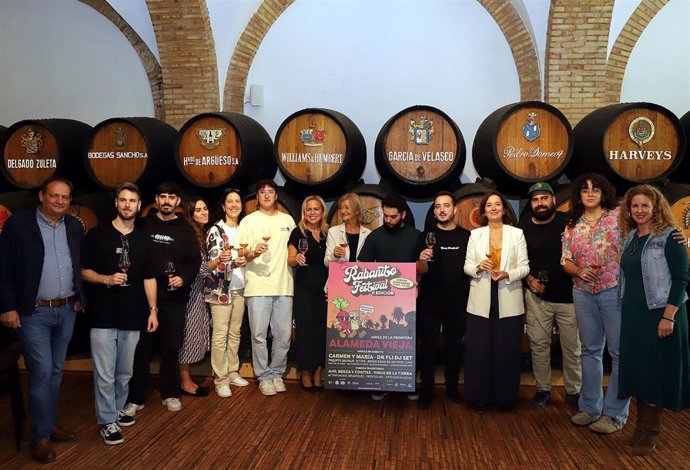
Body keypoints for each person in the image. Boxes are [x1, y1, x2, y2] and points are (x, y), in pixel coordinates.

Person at [0, 176, 84, 463]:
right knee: (41, 373)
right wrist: (8, 306)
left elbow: (79, 263)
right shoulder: (18, 225)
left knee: (56, 371)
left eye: (65, 197)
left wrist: (80, 297)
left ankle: (47, 424)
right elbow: (4, 268)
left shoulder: (73, 226)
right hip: (33, 312)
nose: (60, 201)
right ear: (41, 195)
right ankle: (40, 437)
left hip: (66, 310)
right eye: (54, 196)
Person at [80, 182, 158, 445]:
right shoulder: (96, 235)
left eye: (132, 201)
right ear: (116, 203)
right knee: (104, 372)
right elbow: (84, 272)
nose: (127, 205)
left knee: (124, 371)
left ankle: (116, 409)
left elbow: (149, 278)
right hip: (102, 314)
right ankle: (107, 421)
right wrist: (106, 279)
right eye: (123, 200)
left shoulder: (144, 240)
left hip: (132, 315)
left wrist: (153, 311)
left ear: (139, 205)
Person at [617, 184, 690, 456]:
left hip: (659, 313)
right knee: (638, 371)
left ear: (656, 207)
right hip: (634, 314)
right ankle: (639, 428)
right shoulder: (631, 238)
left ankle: (652, 433)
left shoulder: (671, 237)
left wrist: (668, 316)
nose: (639, 210)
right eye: (635, 205)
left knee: (654, 373)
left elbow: (682, 277)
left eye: (645, 205)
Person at [561, 173, 629, 434]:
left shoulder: (618, 217)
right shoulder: (572, 224)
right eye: (585, 189)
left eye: (595, 189)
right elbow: (565, 260)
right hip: (583, 292)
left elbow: (647, 228)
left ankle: (615, 414)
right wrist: (577, 270)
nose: (590, 194)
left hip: (614, 290)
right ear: (578, 194)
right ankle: (589, 407)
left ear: (604, 193)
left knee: (619, 353)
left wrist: (672, 235)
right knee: (589, 350)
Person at [124, 182, 201, 414]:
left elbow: (194, 261)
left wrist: (183, 278)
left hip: (173, 298)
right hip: (144, 297)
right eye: (162, 196)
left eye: (171, 197)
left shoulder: (185, 229)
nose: (167, 201)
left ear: (178, 202)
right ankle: (136, 398)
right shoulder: (143, 224)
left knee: (171, 348)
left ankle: (170, 392)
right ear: (156, 200)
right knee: (142, 350)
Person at [463, 191, 529, 412]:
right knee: (479, 351)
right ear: (483, 211)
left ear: (504, 208)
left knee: (507, 351)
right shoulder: (476, 235)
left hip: (508, 296)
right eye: (489, 205)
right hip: (480, 299)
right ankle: (479, 397)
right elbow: (467, 266)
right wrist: (479, 267)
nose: (493, 208)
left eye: (497, 204)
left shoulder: (517, 234)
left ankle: (505, 398)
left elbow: (525, 266)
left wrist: (507, 273)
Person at [519, 182, 581, 410]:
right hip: (538, 298)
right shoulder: (523, 227)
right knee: (539, 346)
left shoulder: (570, 222)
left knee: (572, 348)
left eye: (544, 198)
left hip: (570, 297)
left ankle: (574, 391)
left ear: (554, 200)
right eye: (535, 200)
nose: (540, 203)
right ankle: (543, 389)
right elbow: (519, 260)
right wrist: (529, 280)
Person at [358, 193, 421, 400]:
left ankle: (409, 383)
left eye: (393, 217)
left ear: (402, 215)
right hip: (382, 299)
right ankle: (381, 383)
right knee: (382, 342)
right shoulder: (375, 236)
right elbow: (362, 268)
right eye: (385, 216)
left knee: (409, 342)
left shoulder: (415, 235)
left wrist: (418, 282)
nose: (388, 220)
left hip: (409, 298)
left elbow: (422, 267)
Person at [237, 180, 296, 396]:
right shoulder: (248, 221)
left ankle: (277, 373)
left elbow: (294, 248)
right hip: (258, 286)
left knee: (282, 335)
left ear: (276, 196)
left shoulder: (288, 220)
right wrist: (253, 252)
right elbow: (240, 253)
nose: (267, 195)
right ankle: (263, 376)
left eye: (271, 192)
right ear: (257, 197)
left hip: (284, 286)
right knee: (259, 335)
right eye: (262, 192)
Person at [415, 191, 469, 409]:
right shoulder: (425, 236)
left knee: (454, 347)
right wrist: (422, 260)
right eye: (438, 206)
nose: (442, 210)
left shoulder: (467, 236)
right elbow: (419, 270)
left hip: (457, 301)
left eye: (446, 206)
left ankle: (452, 387)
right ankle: (426, 390)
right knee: (428, 347)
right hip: (430, 301)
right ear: (434, 211)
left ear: (455, 210)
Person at [205, 188, 249, 398]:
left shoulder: (244, 228)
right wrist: (234, 261)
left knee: (235, 332)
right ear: (223, 206)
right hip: (221, 289)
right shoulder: (216, 230)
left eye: (237, 201)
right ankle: (220, 379)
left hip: (240, 287)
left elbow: (247, 255)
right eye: (229, 202)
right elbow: (213, 264)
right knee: (220, 335)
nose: (233, 205)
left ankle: (232, 371)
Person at [287, 195, 329, 391]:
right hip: (304, 286)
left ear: (322, 212)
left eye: (316, 209)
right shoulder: (298, 233)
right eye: (308, 209)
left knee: (321, 331)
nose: (312, 213)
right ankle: (305, 372)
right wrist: (298, 259)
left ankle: (318, 372)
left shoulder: (329, 233)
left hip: (325, 288)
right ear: (304, 212)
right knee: (304, 331)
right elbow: (290, 260)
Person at [177, 197, 213, 397]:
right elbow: (200, 269)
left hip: (198, 292)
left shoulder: (201, 233)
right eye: (198, 210)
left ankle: (185, 379)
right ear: (190, 215)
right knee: (188, 337)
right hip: (190, 292)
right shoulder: (191, 234)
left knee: (194, 335)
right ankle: (185, 381)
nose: (203, 212)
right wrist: (218, 262)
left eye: (205, 208)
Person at [324, 192, 371, 265]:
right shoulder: (333, 232)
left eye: (347, 207)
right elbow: (327, 263)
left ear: (357, 210)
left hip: (361, 275)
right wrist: (334, 255)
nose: (342, 211)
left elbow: (372, 262)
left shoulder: (368, 234)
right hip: (340, 275)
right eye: (341, 208)